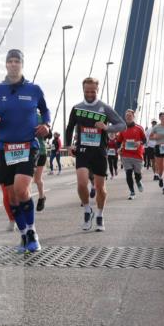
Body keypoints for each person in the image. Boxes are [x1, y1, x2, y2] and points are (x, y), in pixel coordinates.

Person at [0, 49, 50, 252]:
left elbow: (45, 110)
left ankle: (32, 232)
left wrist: (46, 124)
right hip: (5, 148)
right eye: (10, 61)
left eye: (17, 61)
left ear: (22, 65)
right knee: (12, 197)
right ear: (5, 65)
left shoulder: (34, 89)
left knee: (22, 190)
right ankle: (23, 235)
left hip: (28, 146)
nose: (13, 64)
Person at [64, 77, 125, 232]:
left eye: (93, 91)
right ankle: (86, 210)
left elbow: (122, 125)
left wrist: (106, 127)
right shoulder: (77, 108)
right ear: (83, 90)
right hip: (83, 150)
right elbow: (70, 127)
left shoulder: (104, 108)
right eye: (87, 91)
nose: (90, 94)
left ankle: (99, 214)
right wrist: (68, 145)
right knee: (82, 183)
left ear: (97, 90)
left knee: (100, 188)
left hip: (99, 151)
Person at [117, 109, 147, 199]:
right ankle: (132, 192)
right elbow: (118, 141)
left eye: (130, 116)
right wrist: (118, 149)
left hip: (137, 155)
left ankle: (138, 181)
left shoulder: (139, 128)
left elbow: (144, 140)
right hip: (126, 155)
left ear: (133, 117)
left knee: (137, 175)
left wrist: (140, 143)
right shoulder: (122, 128)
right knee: (128, 173)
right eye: (127, 116)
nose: (128, 117)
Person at [33, 110, 49, 211]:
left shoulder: (40, 117)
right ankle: (26, 201)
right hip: (26, 151)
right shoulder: (19, 114)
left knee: (37, 179)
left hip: (40, 151)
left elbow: (49, 134)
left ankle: (41, 197)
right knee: (26, 179)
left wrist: (44, 129)